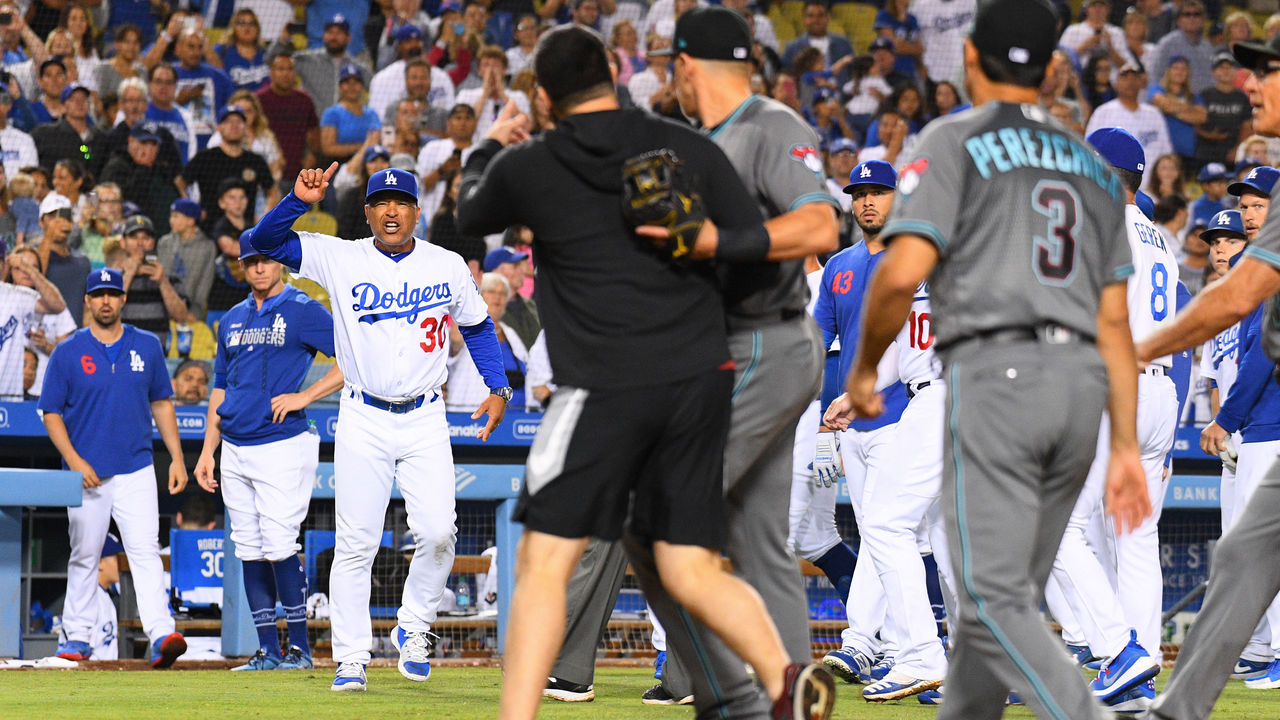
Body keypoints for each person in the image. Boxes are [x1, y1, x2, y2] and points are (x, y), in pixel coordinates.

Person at [456, 23, 836, 720]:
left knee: (544, 563)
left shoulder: (531, 163)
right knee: (688, 560)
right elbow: (736, 243)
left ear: (542, 98)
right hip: (701, 378)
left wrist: (492, 141)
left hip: (605, 383)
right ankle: (786, 678)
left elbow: (468, 210)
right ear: (613, 69)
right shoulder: (686, 147)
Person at [835, 1, 1148, 718]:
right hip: (1079, 395)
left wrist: (862, 367)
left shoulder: (955, 138)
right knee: (992, 603)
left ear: (971, 58)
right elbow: (1112, 322)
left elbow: (903, 266)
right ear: (1051, 67)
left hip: (996, 377)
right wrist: (1125, 441)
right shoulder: (1091, 166)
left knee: (984, 596)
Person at [245, 157, 510, 691]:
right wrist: (298, 201)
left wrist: (498, 386)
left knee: (439, 532)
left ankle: (414, 629)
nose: (392, 211)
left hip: (425, 415)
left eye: (402, 204)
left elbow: (479, 327)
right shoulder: (339, 256)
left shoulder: (447, 264)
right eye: (381, 204)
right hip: (363, 413)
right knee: (356, 542)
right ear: (366, 213)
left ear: (417, 212)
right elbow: (265, 241)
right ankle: (351, 657)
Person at [1136, 32, 1280, 718]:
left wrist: (1142, 347)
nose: (1248, 86)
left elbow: (1234, 301)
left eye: (1265, 73)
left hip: (1265, 427)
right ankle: (1178, 708)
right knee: (1241, 558)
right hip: (1255, 431)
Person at [1039, 128, 1178, 715]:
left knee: (1055, 526)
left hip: (1109, 384)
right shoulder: (1161, 236)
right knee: (1137, 538)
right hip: (1160, 390)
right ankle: (1140, 668)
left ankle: (1118, 650)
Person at [819, 159, 953, 703]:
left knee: (889, 526)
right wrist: (851, 395)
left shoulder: (933, 258)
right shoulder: (904, 261)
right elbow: (901, 343)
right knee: (946, 539)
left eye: (883, 192)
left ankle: (911, 652)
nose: (869, 201)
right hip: (931, 401)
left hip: (935, 405)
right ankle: (954, 660)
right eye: (861, 193)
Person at [194, 234, 340, 672]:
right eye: (250, 261)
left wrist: (305, 396)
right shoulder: (232, 318)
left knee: (278, 544)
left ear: (280, 263)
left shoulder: (303, 309)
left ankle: (300, 649)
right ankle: (267, 651)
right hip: (235, 444)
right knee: (249, 548)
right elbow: (220, 387)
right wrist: (207, 451)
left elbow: (353, 358)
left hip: (282, 443)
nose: (258, 267)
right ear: (241, 266)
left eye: (266, 260)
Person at [41, 267, 189, 668]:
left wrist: (176, 457)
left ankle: (161, 633)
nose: (106, 300)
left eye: (112, 293)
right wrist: (74, 461)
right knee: (85, 554)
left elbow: (161, 402)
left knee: (145, 551)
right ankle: (76, 636)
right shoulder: (68, 350)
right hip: (86, 471)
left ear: (123, 299)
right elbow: (49, 412)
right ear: (87, 301)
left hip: (136, 466)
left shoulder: (147, 345)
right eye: (98, 294)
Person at [178, 105, 277, 229]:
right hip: (209, 229)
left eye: (239, 122)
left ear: (245, 127)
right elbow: (180, 182)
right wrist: (193, 211)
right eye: (228, 121)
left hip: (245, 231)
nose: (234, 126)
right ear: (219, 127)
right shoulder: (205, 157)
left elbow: (273, 191)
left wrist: (263, 219)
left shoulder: (254, 161)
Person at [445, 272, 527, 411]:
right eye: (491, 291)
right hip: (466, 412)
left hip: (511, 414)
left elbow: (526, 368)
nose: (497, 297)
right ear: (479, 295)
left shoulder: (511, 334)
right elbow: (454, 344)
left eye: (502, 294)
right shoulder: (466, 325)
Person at [1085, 60, 1174, 188]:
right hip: (1114, 189)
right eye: (1125, 77)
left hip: (1152, 191)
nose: (1130, 82)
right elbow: (1089, 150)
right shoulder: (1103, 112)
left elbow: (1167, 154)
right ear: (1116, 83)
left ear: (1141, 83)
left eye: (1134, 78)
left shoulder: (1154, 114)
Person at [5, 244, 72, 397]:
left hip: (44, 393)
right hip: (6, 390)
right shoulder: (3, 302)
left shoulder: (54, 304)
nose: (26, 272)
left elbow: (69, 358)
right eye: (20, 267)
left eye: (32, 267)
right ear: (10, 270)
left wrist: (46, 345)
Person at [116, 214, 194, 343]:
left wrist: (163, 282)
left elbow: (181, 316)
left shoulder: (170, 279)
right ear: (123, 242)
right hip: (122, 353)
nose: (140, 243)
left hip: (157, 355)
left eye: (146, 237)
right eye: (134, 237)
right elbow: (108, 314)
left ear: (152, 243)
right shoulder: (112, 280)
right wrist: (128, 275)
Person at [255, 51, 320, 182]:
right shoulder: (259, 100)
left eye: (290, 69)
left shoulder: (305, 100)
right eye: (280, 69)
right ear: (271, 73)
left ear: (295, 73)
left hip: (298, 176)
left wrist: (312, 156)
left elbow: (314, 134)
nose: (286, 74)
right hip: (266, 175)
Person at [290, 14, 371, 113]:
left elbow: (378, 89)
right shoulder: (306, 60)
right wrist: (283, 40)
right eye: (330, 32)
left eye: (339, 33)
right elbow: (272, 60)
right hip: (314, 125)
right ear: (324, 36)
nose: (333, 37)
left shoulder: (359, 67)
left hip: (346, 125)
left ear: (349, 38)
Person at [156, 198, 215, 319]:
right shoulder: (164, 243)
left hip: (191, 314)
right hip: (162, 309)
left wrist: (194, 313)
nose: (171, 220)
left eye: (176, 216)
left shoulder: (207, 247)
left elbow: (204, 283)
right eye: (171, 216)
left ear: (191, 220)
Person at [35, 192, 89, 322]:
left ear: (71, 223)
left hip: (74, 337)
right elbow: (36, 279)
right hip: (40, 335)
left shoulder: (82, 261)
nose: (58, 222)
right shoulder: (30, 256)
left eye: (63, 217)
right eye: (52, 216)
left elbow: (87, 305)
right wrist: (49, 235)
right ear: (41, 223)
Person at [318, 65, 381, 164]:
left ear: (362, 87)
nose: (352, 87)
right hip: (339, 165)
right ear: (340, 86)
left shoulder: (371, 114)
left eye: (356, 82)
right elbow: (328, 149)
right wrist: (361, 147)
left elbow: (375, 141)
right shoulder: (332, 113)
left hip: (369, 166)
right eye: (347, 82)